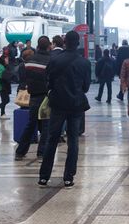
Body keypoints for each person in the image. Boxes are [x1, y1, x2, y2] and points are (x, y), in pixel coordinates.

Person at [39, 30, 92, 188]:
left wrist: (52, 91)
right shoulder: (84, 63)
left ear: (64, 42)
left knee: (52, 139)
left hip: (58, 104)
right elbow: (86, 87)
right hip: (76, 105)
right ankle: (68, 177)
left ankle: (44, 176)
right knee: (73, 140)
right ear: (78, 43)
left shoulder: (55, 59)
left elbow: (47, 80)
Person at [15, 37, 53, 160]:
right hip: (46, 97)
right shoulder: (51, 61)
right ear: (49, 46)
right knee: (46, 125)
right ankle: (41, 152)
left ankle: (20, 151)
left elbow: (24, 77)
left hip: (33, 97)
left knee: (31, 124)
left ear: (37, 46)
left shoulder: (29, 61)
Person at [0, 46, 17, 116]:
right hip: (2, 87)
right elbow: (2, 76)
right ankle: (1, 113)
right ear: (3, 60)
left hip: (4, 86)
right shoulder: (0, 67)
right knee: (5, 100)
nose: (7, 60)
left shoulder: (4, 67)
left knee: (5, 100)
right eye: (6, 59)